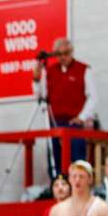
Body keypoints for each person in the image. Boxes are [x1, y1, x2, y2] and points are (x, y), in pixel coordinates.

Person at [32, 38, 97, 170]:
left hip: (75, 123)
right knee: (55, 159)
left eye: (66, 53)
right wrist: (36, 79)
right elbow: (40, 96)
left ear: (72, 52)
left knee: (76, 160)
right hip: (54, 123)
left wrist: (82, 118)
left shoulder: (84, 70)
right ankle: (58, 185)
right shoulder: (49, 71)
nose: (63, 57)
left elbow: (93, 98)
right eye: (59, 54)